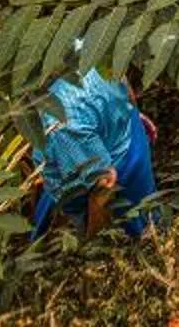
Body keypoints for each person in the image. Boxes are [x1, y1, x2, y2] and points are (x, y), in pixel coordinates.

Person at [30, 68, 160, 241]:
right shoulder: (89, 54)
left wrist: (94, 244)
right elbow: (123, 81)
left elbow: (103, 185)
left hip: (115, 170)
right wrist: (131, 112)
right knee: (148, 211)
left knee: (140, 231)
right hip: (124, 132)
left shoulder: (60, 124)